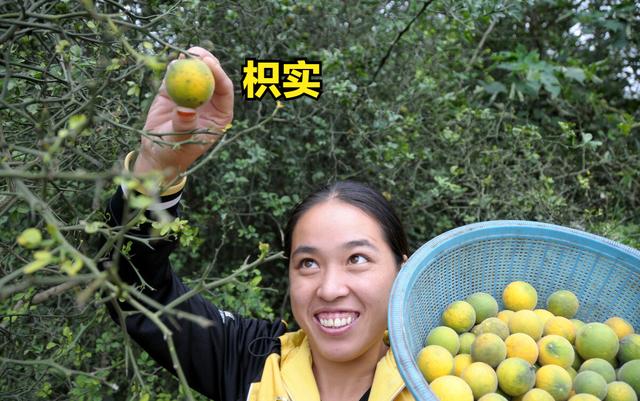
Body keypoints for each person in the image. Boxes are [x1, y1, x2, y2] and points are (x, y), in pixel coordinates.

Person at [102, 47, 414, 401]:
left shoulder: (442, 378)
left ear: (404, 270)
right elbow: (131, 285)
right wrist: (155, 168)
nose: (329, 290)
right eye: (308, 263)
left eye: (357, 258)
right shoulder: (251, 358)